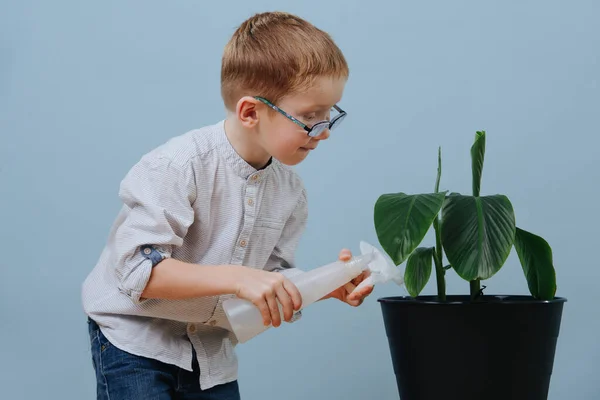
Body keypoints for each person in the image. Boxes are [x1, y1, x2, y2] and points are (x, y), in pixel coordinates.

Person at [81, 11, 373, 400]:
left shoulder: (290, 192)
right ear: (251, 112)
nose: (323, 133)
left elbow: (267, 282)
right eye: (309, 118)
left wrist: (323, 287)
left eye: (328, 116)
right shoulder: (177, 166)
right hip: (136, 342)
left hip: (209, 355)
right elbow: (139, 273)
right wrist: (238, 277)